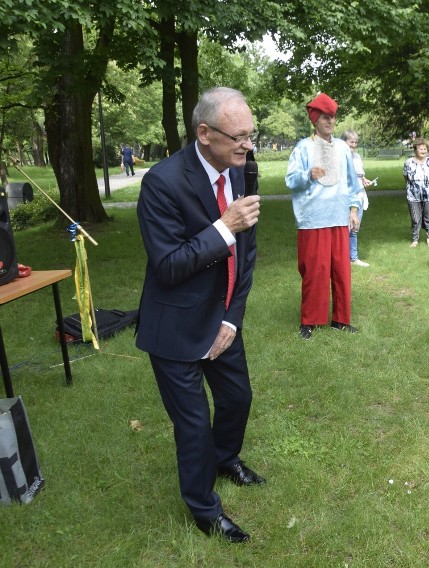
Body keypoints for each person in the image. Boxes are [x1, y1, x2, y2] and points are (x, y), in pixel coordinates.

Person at [136, 87, 262, 543]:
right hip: (174, 326)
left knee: (237, 400)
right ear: (204, 133)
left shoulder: (242, 169)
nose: (248, 146)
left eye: (252, 135)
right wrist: (223, 226)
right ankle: (205, 510)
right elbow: (168, 266)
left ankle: (225, 458)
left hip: (222, 317)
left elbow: (247, 255)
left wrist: (232, 319)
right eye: (239, 137)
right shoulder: (162, 182)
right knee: (192, 425)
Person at [285, 93, 362, 340]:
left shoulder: (342, 147)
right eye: (325, 117)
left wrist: (352, 210)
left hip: (339, 218)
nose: (330, 121)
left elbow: (352, 182)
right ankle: (310, 320)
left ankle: (341, 320)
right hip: (313, 219)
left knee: (341, 271)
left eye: (333, 117)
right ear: (315, 120)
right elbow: (290, 180)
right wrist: (308, 174)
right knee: (315, 271)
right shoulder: (303, 148)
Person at [341, 129, 373, 268]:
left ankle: (353, 258)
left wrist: (365, 180)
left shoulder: (357, 157)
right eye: (351, 142)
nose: (353, 145)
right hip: (347, 196)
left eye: (355, 142)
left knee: (355, 228)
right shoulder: (341, 157)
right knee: (345, 229)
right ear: (343, 142)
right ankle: (341, 259)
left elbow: (359, 175)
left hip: (360, 195)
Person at [403, 138, 429, 247]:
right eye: (421, 149)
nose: (423, 151)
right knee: (415, 218)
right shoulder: (408, 162)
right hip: (413, 195)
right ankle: (415, 240)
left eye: (425, 149)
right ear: (415, 150)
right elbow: (406, 177)